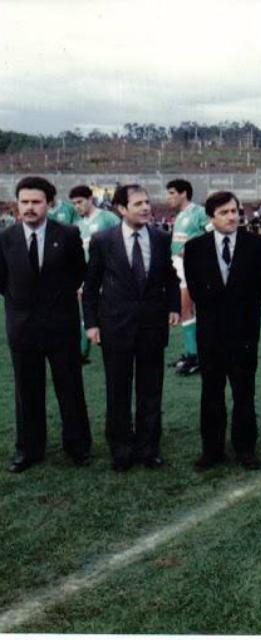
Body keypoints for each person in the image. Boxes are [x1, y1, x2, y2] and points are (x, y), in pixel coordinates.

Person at [83, 184, 180, 471]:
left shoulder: (161, 238)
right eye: (138, 204)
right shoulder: (103, 240)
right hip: (115, 327)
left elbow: (170, 278)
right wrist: (91, 324)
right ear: (121, 209)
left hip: (152, 327)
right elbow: (91, 286)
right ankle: (121, 449)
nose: (146, 208)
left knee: (151, 390)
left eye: (147, 202)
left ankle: (149, 448)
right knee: (118, 392)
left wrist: (174, 306)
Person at [0, 176, 92, 472]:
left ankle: (77, 447)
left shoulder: (67, 234)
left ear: (49, 204)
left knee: (70, 387)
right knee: (27, 389)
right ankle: (28, 449)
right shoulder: (6, 238)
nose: (29, 207)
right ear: (17, 204)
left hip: (60, 326)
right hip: (22, 326)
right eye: (24, 202)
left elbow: (79, 273)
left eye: (36, 202)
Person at [184, 191, 261, 471]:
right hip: (211, 332)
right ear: (211, 217)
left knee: (243, 391)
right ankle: (212, 450)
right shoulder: (195, 247)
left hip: (244, 331)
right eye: (224, 212)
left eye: (235, 211)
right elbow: (196, 288)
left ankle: (245, 448)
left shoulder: (257, 244)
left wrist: (240, 311)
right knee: (211, 391)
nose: (232, 216)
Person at [70, 184, 121, 363]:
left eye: (80, 202)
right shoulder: (78, 224)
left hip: (108, 272)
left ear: (90, 199)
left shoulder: (107, 218)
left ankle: (112, 344)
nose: (77, 206)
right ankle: (82, 352)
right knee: (86, 310)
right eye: (74, 204)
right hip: (86, 274)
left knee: (109, 310)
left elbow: (122, 239)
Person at [166, 178, 210, 376]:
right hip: (177, 266)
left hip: (190, 267)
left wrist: (193, 252)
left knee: (186, 309)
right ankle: (190, 353)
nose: (169, 197)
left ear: (184, 193)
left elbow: (212, 234)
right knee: (185, 310)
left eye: (172, 193)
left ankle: (195, 357)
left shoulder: (198, 212)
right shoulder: (181, 215)